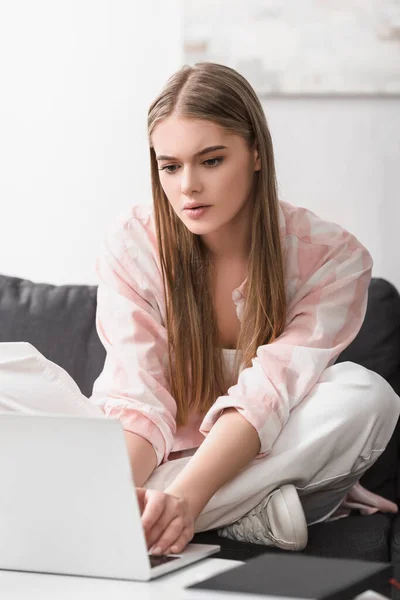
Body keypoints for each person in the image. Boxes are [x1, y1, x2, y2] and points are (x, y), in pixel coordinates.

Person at [1, 61, 397, 558]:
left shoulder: (332, 258)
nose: (187, 185)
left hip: (257, 456)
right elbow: (137, 401)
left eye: (210, 161)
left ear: (255, 152)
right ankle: (244, 511)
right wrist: (114, 496)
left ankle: (140, 509)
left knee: (365, 395)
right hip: (141, 457)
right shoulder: (134, 241)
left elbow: (266, 397)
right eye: (170, 166)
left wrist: (183, 500)